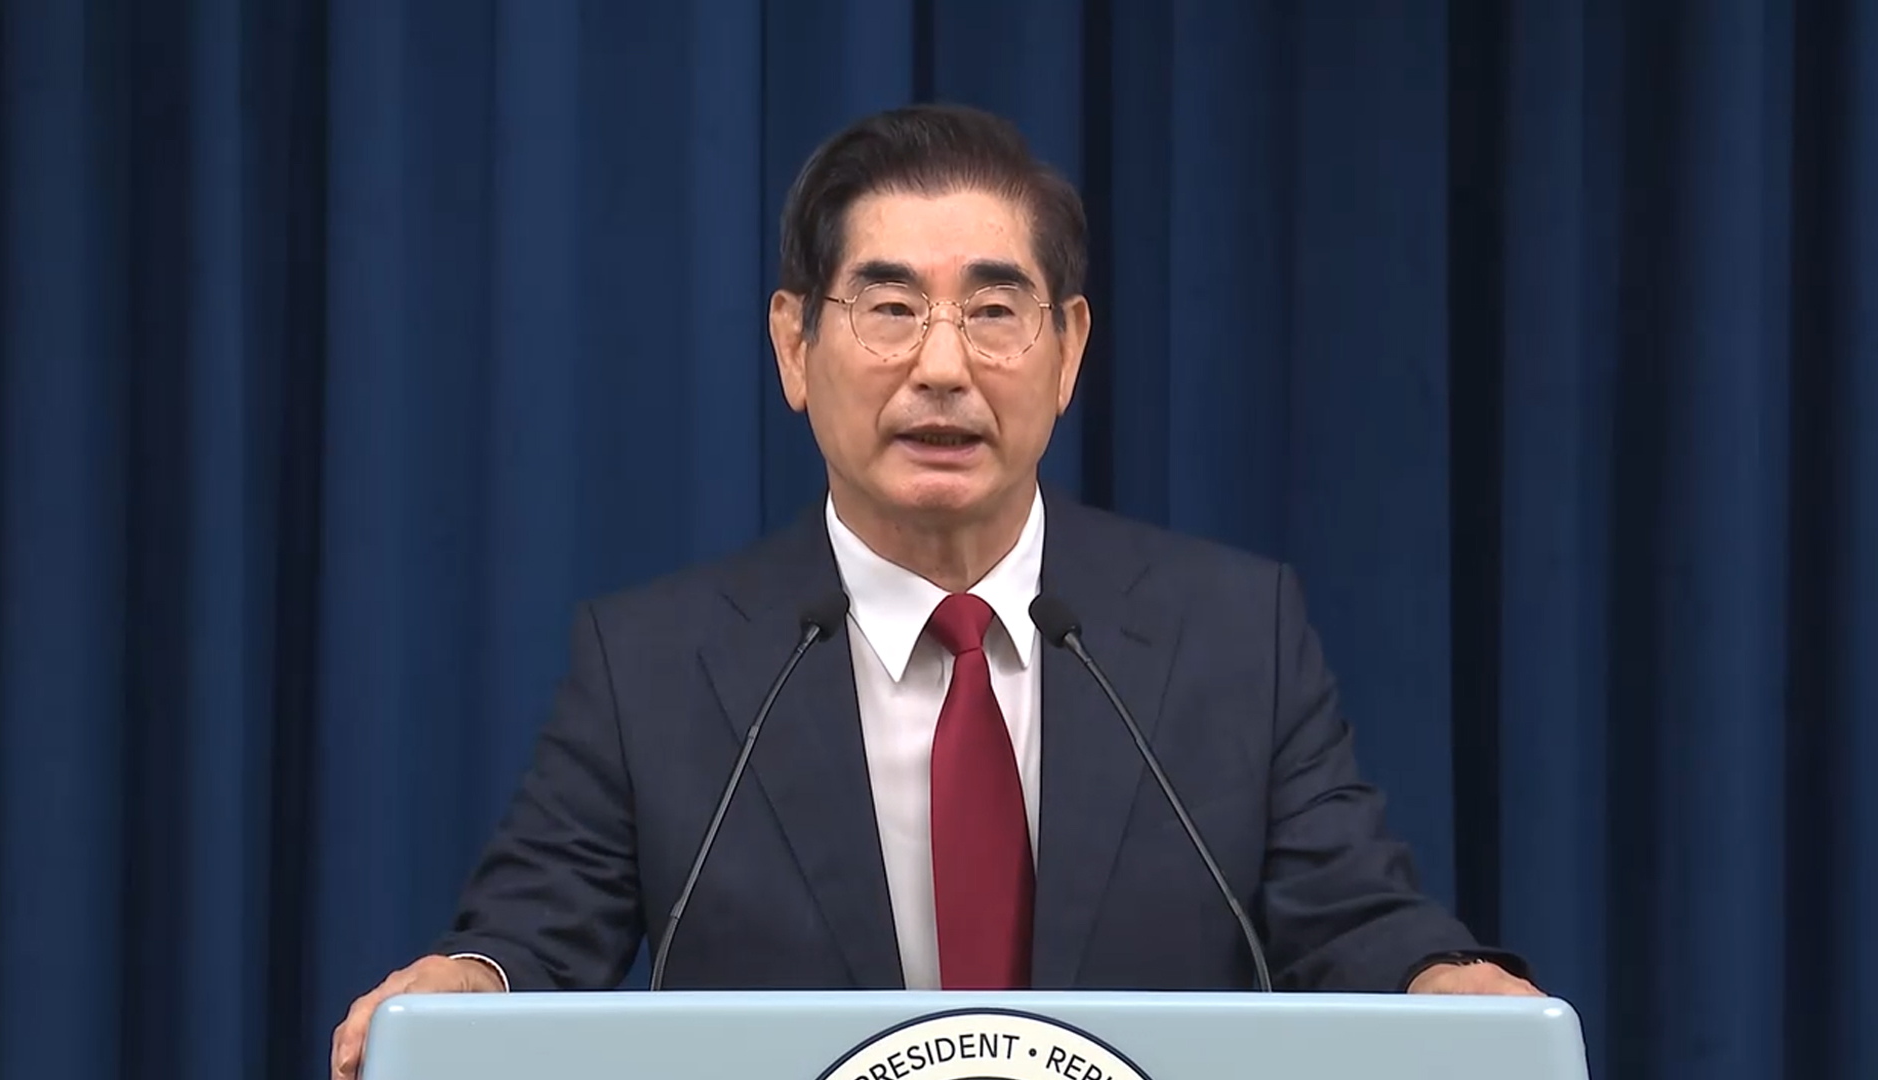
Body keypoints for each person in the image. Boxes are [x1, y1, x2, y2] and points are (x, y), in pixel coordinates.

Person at [331, 102, 1537, 1079]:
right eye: (891, 308)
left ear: (1068, 351)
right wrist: (467, 983)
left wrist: (1441, 980)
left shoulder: (1231, 637)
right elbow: (536, 932)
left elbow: (1351, 916)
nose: (944, 366)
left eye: (995, 311)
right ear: (794, 346)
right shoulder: (654, 669)